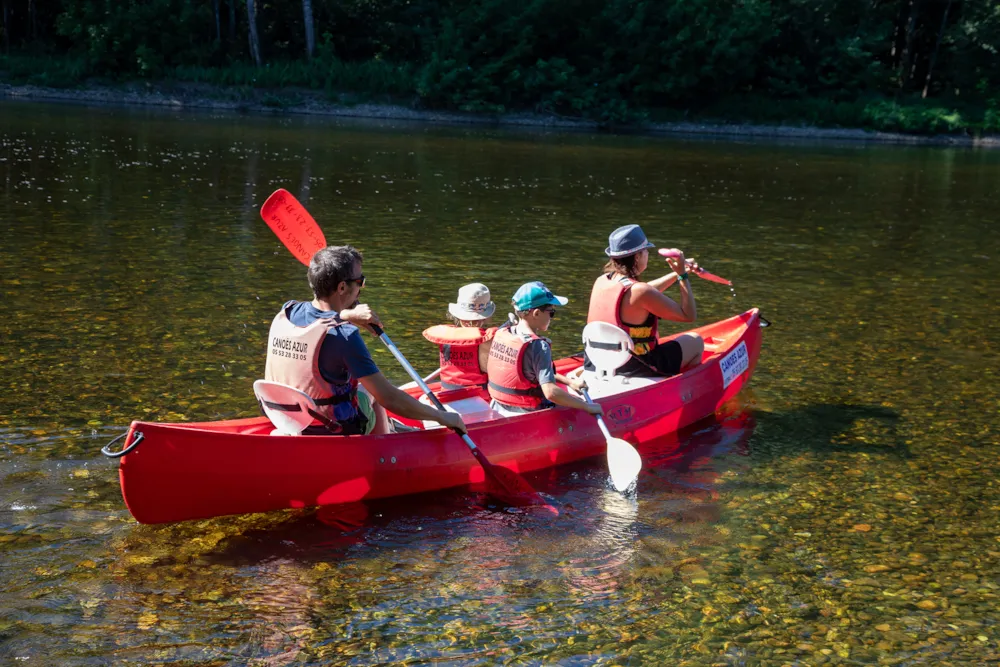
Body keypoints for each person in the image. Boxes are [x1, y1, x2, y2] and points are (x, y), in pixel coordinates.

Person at [264, 245, 467, 436]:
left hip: (286, 417)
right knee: (373, 392)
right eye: (360, 281)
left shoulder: (288, 311)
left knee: (363, 386)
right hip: (330, 429)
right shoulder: (345, 336)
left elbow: (319, 319)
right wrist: (443, 417)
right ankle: (382, 453)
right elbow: (390, 398)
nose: (361, 288)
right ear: (342, 287)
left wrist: (346, 314)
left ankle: (388, 430)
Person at [586, 224, 704, 377]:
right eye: (646, 250)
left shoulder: (602, 281)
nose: (648, 253)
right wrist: (682, 276)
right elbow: (689, 315)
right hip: (633, 366)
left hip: (596, 361)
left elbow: (638, 292)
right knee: (695, 341)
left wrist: (676, 273)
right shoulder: (640, 292)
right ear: (637, 256)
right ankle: (684, 391)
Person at [486, 281, 603, 417]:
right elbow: (551, 392)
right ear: (536, 313)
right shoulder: (539, 346)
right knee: (575, 407)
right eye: (551, 312)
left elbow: (532, 372)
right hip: (527, 413)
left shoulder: (504, 332)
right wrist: (586, 406)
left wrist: (569, 382)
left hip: (497, 406)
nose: (552, 317)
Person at [422, 283, 498, 390]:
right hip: (478, 395)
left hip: (447, 390)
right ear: (485, 317)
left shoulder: (446, 335)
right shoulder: (487, 340)